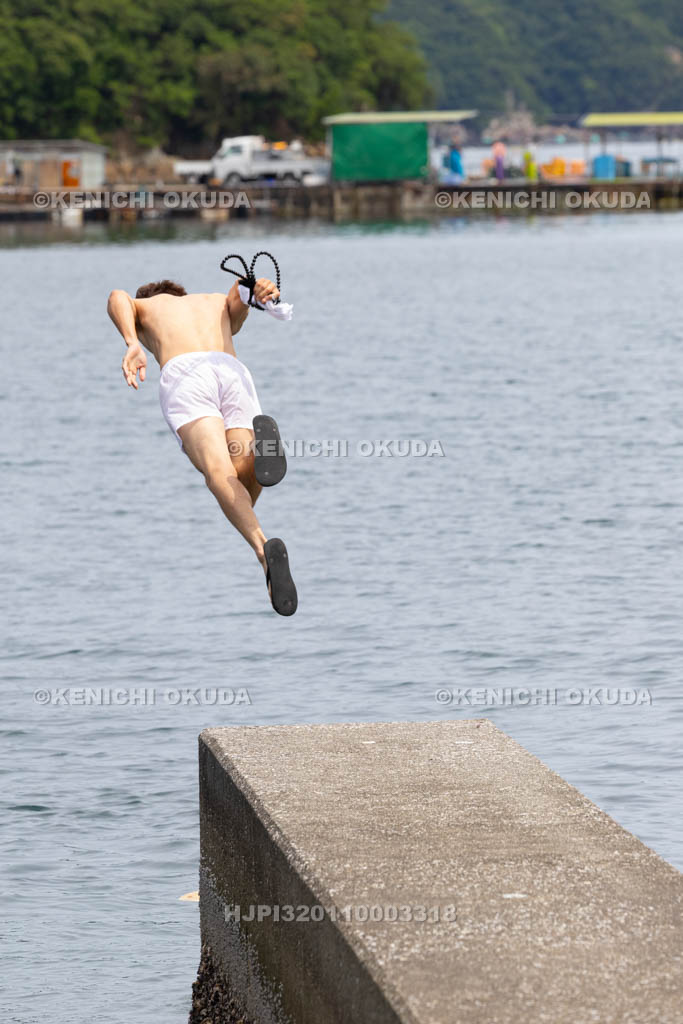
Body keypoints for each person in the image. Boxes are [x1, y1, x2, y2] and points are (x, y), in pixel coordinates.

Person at [106, 275, 298, 616]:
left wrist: (132, 341)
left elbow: (117, 296)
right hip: (232, 370)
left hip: (187, 375)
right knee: (238, 476)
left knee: (217, 472)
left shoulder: (148, 306)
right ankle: (259, 454)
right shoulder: (213, 301)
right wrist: (257, 289)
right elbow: (240, 297)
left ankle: (262, 549)